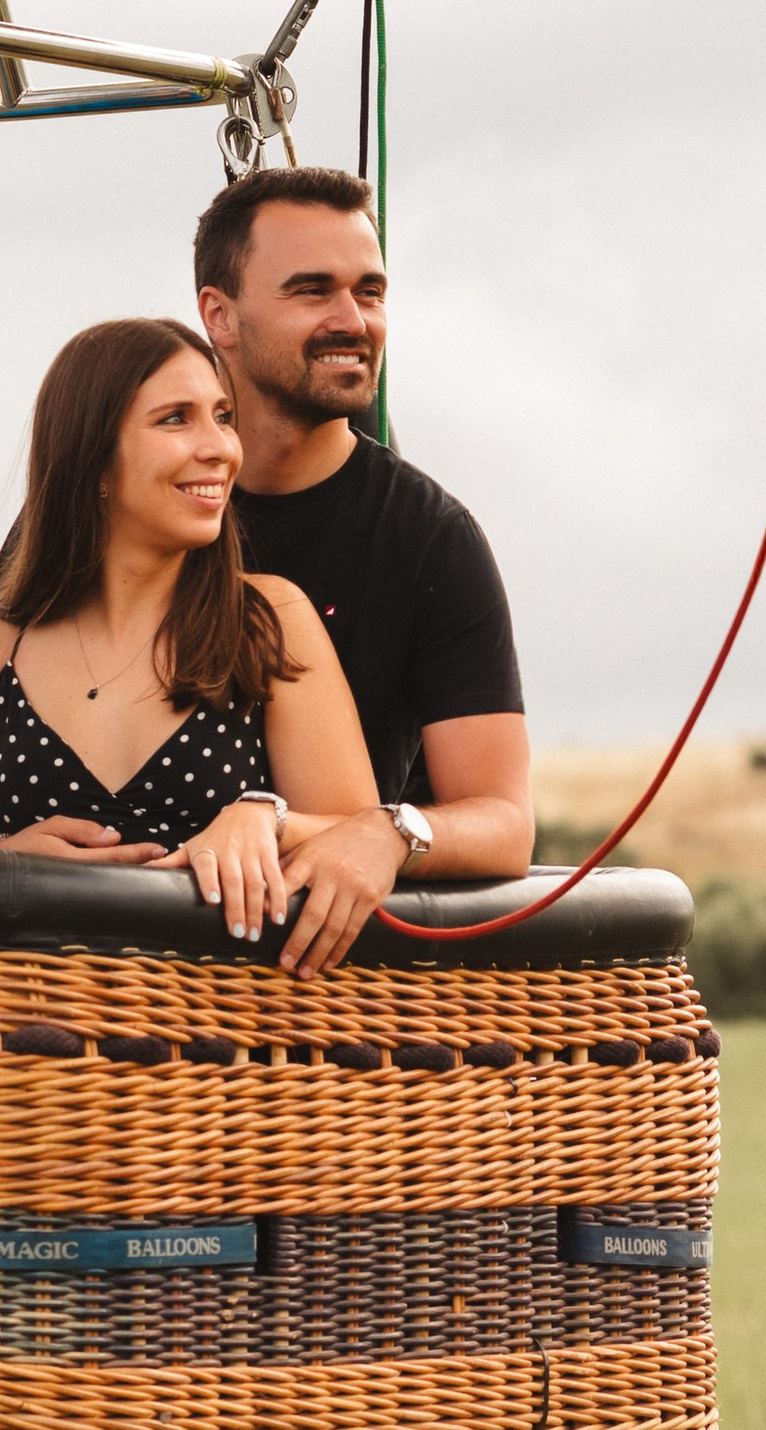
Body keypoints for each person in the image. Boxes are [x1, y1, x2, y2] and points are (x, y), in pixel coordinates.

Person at [0, 314, 381, 967]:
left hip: (228, 1044)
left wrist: (266, 817)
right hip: (34, 1046)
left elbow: (360, 836)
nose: (221, 447)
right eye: (176, 419)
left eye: (223, 416)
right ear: (92, 459)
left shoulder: (268, 619)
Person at [193, 164, 533, 966]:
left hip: (317, 989)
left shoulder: (430, 537)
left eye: (370, 292)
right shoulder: (116, 503)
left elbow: (504, 822)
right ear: (221, 316)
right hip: (102, 985)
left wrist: (393, 833)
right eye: (313, 291)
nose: (353, 320)